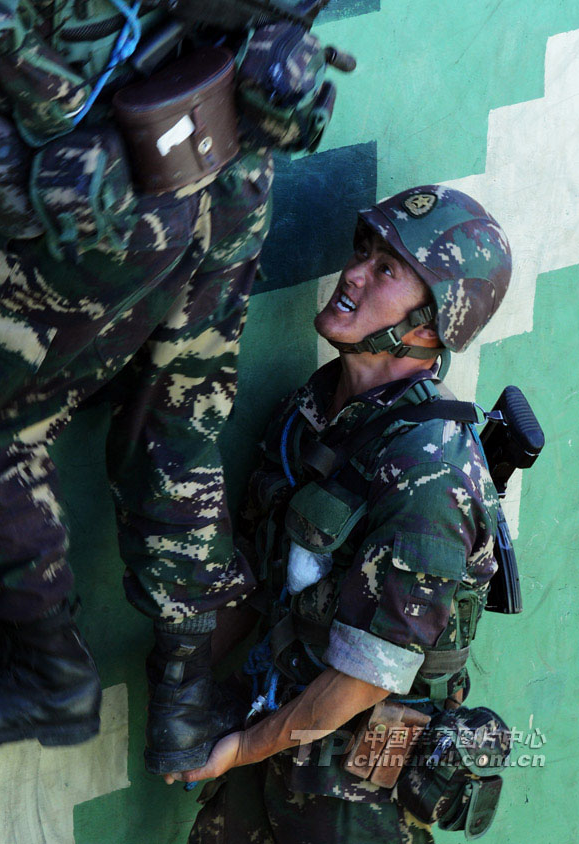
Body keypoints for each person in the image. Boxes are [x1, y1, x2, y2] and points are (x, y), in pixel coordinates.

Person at [0, 0, 345, 775]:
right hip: (222, 152)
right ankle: (182, 694)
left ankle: (45, 666)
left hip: (113, 202)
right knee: (179, 419)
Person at [172, 185, 513, 843]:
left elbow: (364, 681)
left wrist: (241, 748)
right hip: (272, 738)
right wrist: (182, 678)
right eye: (364, 253)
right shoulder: (311, 412)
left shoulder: (430, 470)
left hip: (355, 791)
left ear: (432, 322)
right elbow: (256, 577)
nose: (353, 273)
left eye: (385, 269)